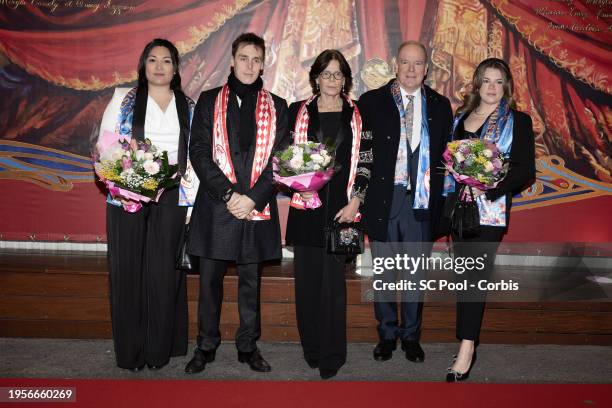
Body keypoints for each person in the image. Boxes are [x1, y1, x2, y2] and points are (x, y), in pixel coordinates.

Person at [184, 33, 288, 374]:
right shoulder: (210, 99)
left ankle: (248, 346)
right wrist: (229, 195)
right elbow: (198, 152)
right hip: (218, 206)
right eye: (244, 58)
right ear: (232, 60)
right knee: (210, 283)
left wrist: (253, 198)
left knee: (250, 283)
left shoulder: (278, 105)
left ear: (263, 64)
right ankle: (206, 345)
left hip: (257, 206)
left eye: (256, 59)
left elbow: (281, 159)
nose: (250, 65)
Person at [97, 38, 194, 371]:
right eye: (152, 60)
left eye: (166, 61)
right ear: (143, 65)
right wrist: (126, 185)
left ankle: (158, 351)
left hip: (172, 197)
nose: (159, 66)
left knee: (163, 274)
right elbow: (104, 150)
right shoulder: (123, 100)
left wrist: (190, 206)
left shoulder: (188, 105)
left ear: (176, 68)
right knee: (128, 272)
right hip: (128, 194)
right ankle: (131, 352)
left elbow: (195, 157)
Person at [357, 41, 452, 363]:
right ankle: (386, 335)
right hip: (384, 200)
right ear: (396, 65)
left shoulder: (440, 105)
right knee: (383, 274)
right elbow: (363, 153)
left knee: (414, 276)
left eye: (418, 64)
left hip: (421, 204)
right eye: (406, 63)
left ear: (427, 69)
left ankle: (411, 337)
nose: (411, 70)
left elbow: (446, 158)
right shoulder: (371, 102)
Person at [444, 58, 535, 382]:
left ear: (506, 86)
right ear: (478, 84)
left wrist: (490, 187)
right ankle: (466, 340)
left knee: (473, 280)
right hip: (460, 211)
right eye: (487, 81)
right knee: (463, 280)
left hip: (489, 212)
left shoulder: (518, 122)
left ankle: (467, 349)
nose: (493, 88)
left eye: (499, 82)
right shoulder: (460, 118)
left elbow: (525, 171)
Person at [284, 49, 371, 379]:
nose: (332, 80)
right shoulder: (298, 112)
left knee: (334, 285)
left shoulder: (359, 115)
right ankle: (312, 348)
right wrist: (298, 184)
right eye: (327, 74)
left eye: (338, 74)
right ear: (316, 78)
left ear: (346, 79)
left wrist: (357, 200)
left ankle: (332, 353)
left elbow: (367, 159)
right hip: (307, 206)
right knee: (306, 283)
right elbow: (285, 156)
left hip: (343, 209)